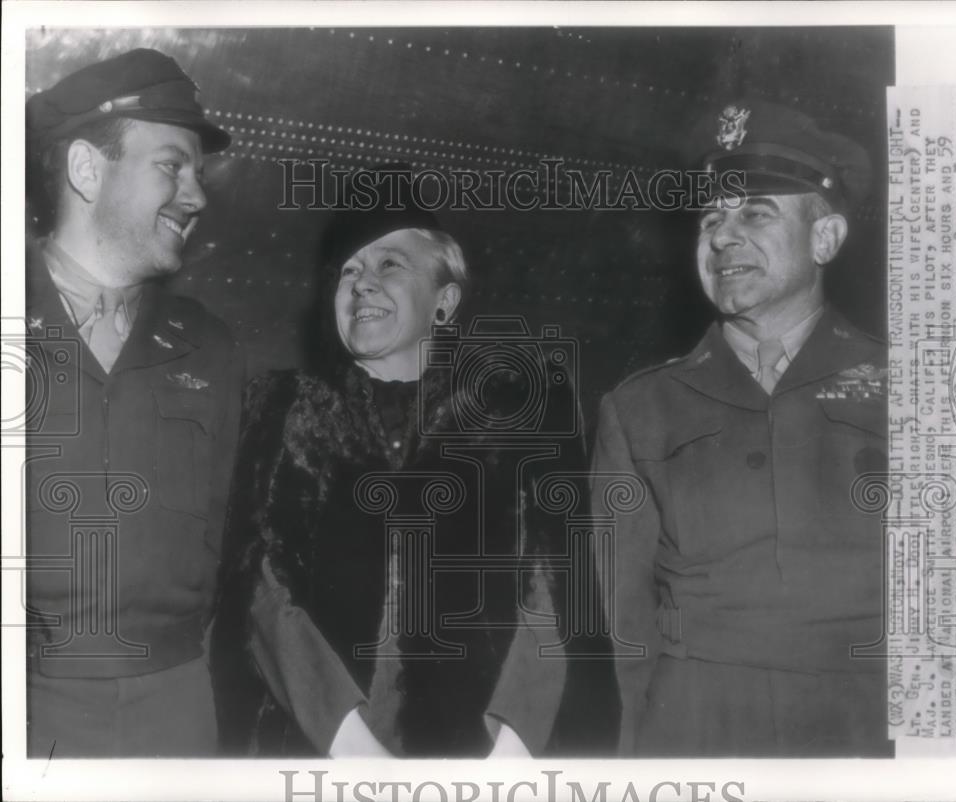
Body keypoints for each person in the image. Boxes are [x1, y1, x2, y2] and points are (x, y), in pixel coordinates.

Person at [211, 171, 618, 757]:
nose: (362, 285)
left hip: (486, 757)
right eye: (349, 271)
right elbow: (259, 583)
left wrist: (512, 753)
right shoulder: (283, 407)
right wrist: (354, 753)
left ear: (445, 300)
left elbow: (557, 576)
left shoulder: (517, 405)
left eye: (390, 266)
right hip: (321, 752)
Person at [593, 100, 893, 756]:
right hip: (697, 726)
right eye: (711, 219)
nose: (723, 237)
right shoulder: (639, 409)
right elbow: (625, 626)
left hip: (866, 727)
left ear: (826, 239)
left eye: (756, 213)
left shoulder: (914, 393)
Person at [24, 48, 242, 757]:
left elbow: (222, 539)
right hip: (30, 703)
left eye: (198, 175)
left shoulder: (209, 346)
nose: (197, 196)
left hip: (178, 707)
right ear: (88, 170)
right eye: (172, 166)